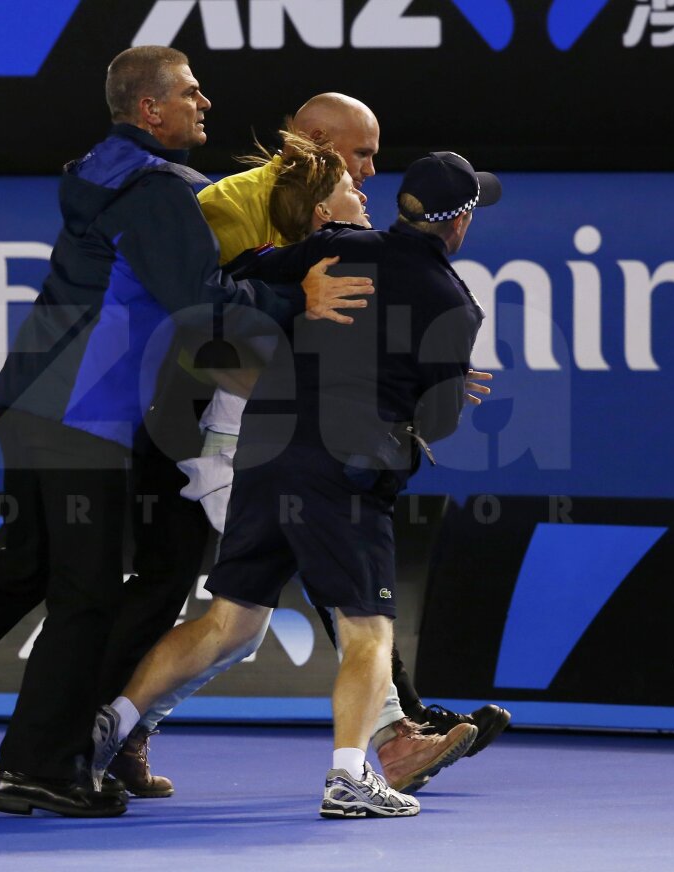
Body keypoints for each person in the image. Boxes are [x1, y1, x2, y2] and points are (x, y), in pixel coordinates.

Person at [0, 45, 372, 819]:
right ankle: (36, 766)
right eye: (190, 93)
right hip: (84, 409)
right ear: (150, 109)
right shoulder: (159, 190)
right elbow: (201, 301)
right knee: (82, 596)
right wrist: (298, 297)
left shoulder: (105, 167)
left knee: (26, 573)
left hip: (35, 397)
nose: (204, 103)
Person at [92, 150, 500, 818]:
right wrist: (439, 388)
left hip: (264, 453)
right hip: (346, 467)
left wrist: (304, 300)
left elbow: (241, 271)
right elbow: (440, 421)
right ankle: (348, 776)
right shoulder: (454, 302)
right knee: (368, 630)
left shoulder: (335, 245)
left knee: (228, 621)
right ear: (457, 226)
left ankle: (103, 729)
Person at [194, 95, 509, 789]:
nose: (369, 173)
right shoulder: (246, 211)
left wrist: (432, 372)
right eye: (358, 157)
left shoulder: (344, 229)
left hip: (286, 433)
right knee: (322, 607)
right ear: (316, 145)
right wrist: (297, 295)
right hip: (238, 427)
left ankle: (403, 731)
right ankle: (391, 744)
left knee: (287, 609)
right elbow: (205, 298)